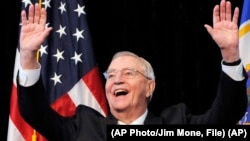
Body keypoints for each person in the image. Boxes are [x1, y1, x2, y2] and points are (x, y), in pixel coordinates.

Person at [17, 0, 247, 140]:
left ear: (150, 86)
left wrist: (230, 55)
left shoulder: (177, 122)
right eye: (112, 75)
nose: (116, 80)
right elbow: (34, 113)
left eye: (128, 73)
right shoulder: (84, 126)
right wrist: (27, 56)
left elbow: (226, 115)